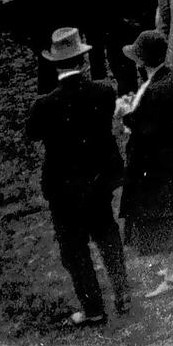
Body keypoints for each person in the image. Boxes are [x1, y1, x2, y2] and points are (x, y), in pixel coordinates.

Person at [26, 27, 131, 327]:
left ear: (55, 65)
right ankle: (122, 293)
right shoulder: (104, 90)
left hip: (63, 189)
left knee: (75, 251)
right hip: (99, 181)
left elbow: (32, 134)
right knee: (107, 235)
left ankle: (93, 308)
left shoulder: (43, 105)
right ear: (83, 62)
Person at [115, 29, 173, 300]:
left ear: (143, 61)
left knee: (162, 223)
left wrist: (126, 116)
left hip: (158, 169)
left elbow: (145, 130)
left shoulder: (154, 91)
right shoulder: (172, 76)